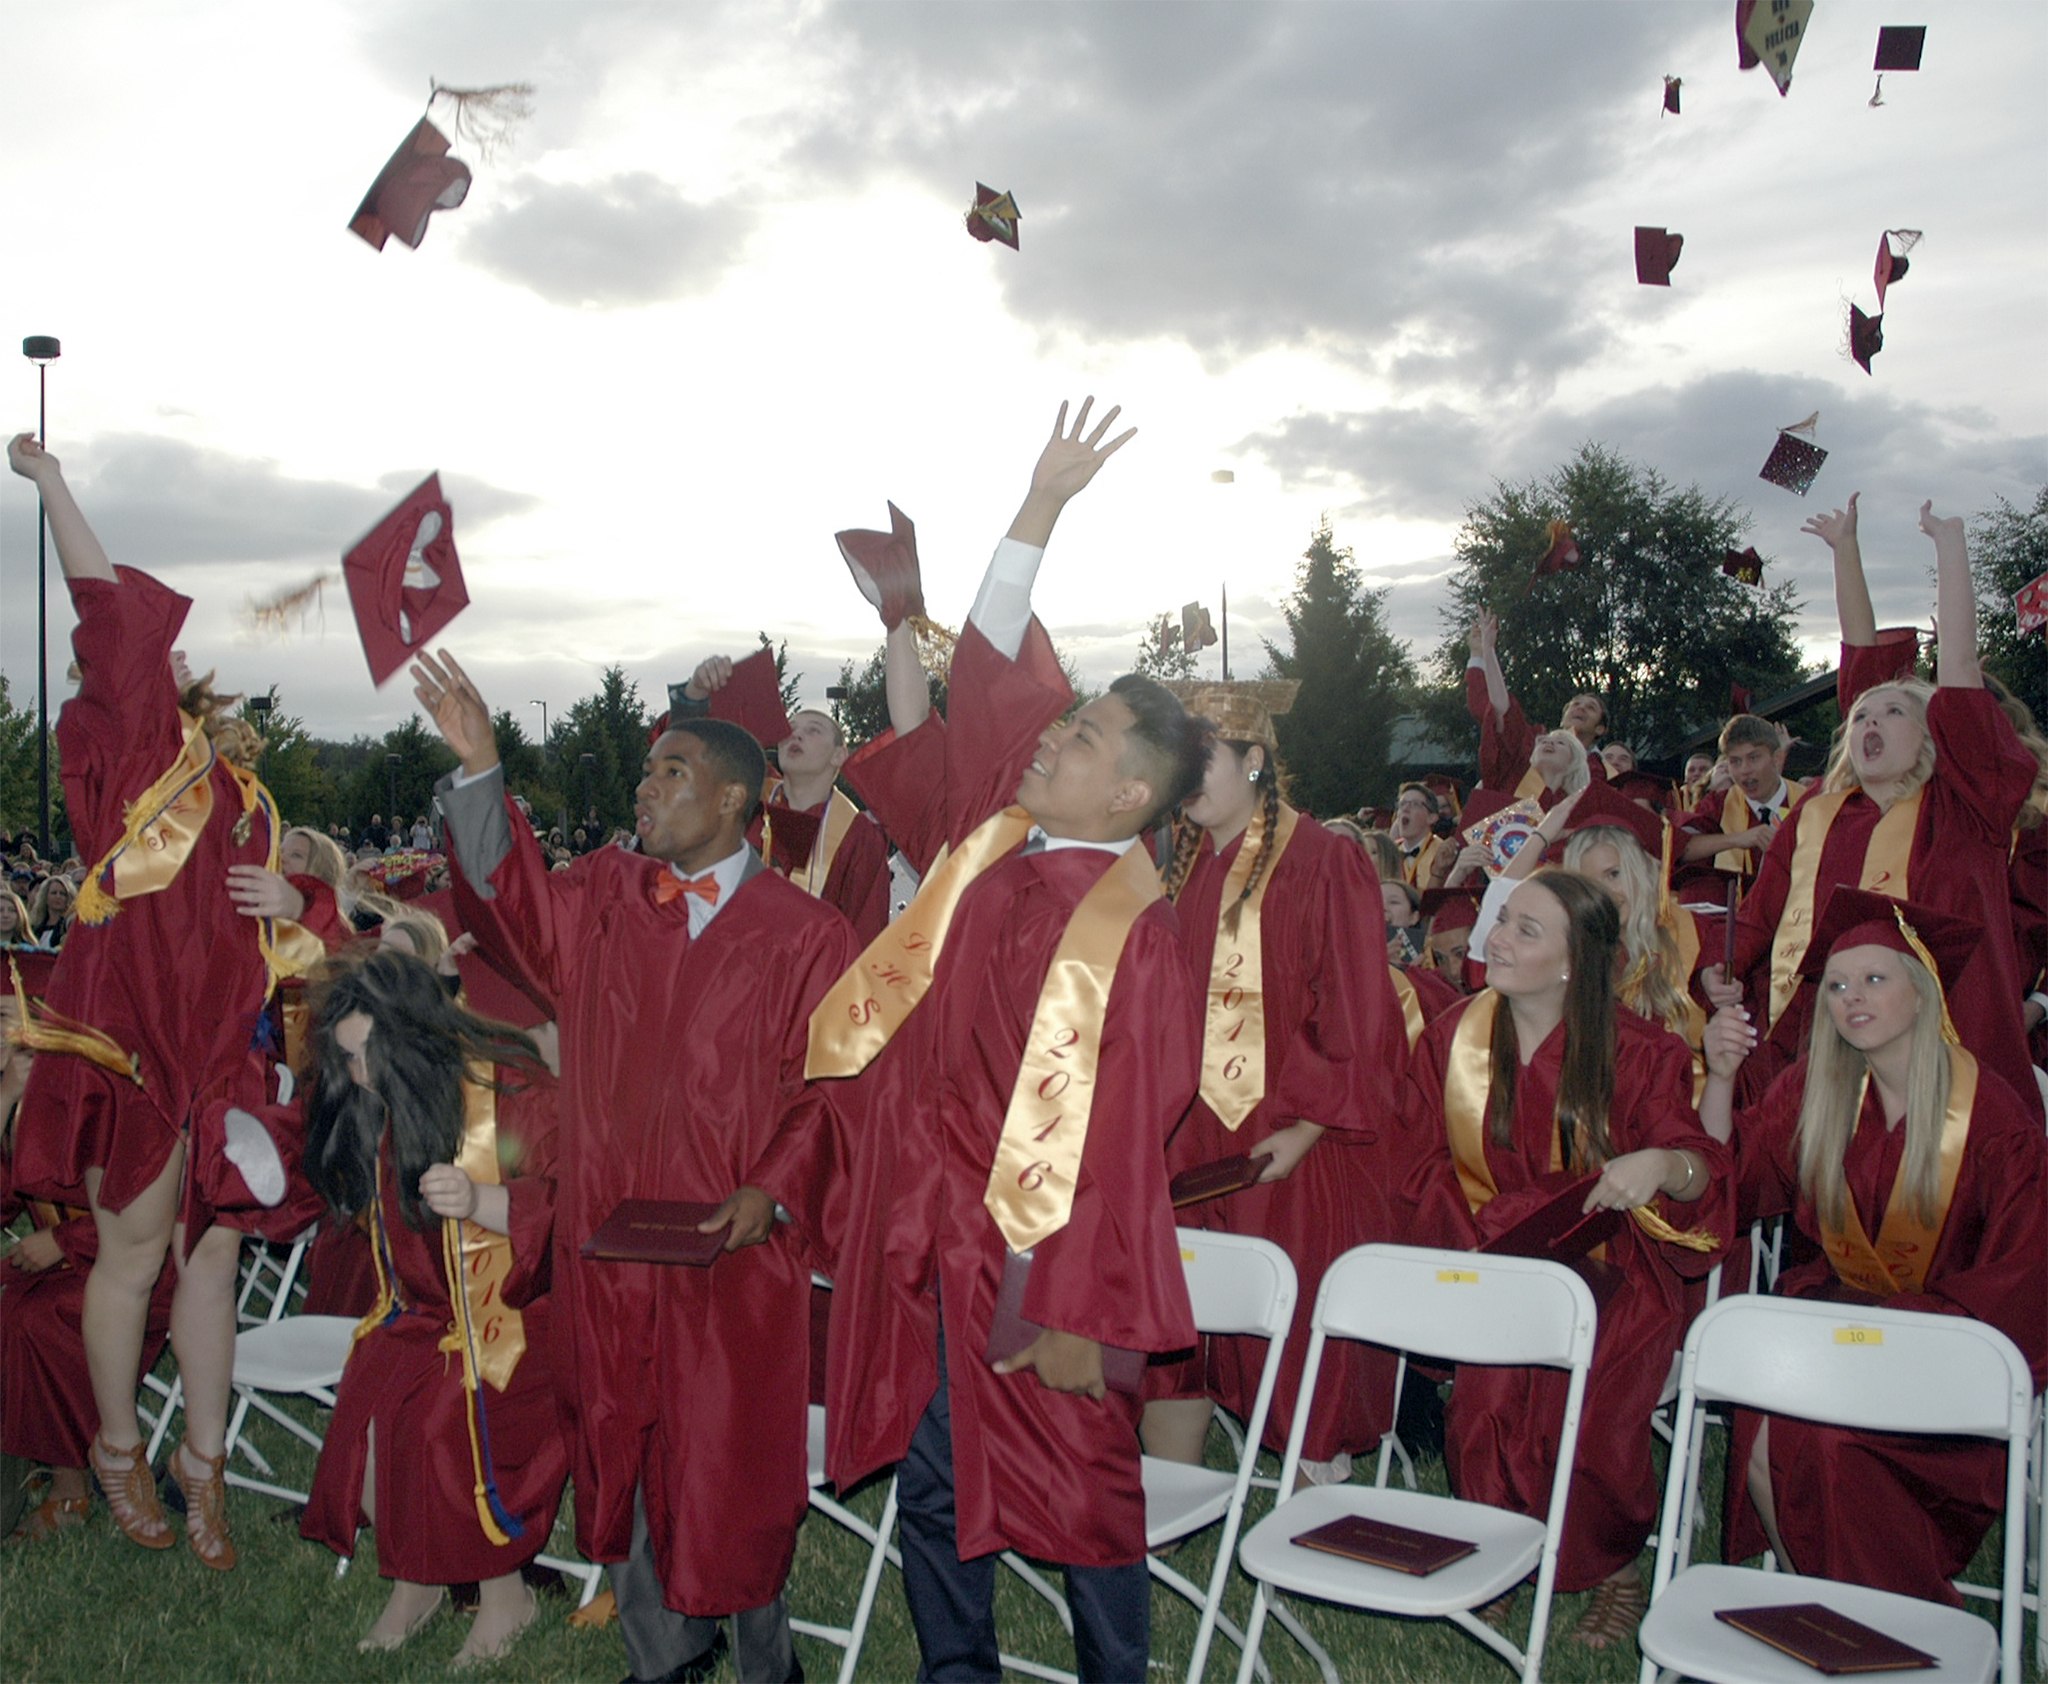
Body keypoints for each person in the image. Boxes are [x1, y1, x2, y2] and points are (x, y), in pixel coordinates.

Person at [734, 398, 1208, 1683]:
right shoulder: (997, 841)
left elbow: (1120, 1139)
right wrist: (1036, 511)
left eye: (1088, 735)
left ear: (1129, 796)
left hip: (1037, 1259)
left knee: (1083, 1497)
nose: (1055, 733)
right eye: (1068, 721)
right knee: (937, 1487)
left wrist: (1064, 1301)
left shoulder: (1134, 934)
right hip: (929, 1229)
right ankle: (958, 1672)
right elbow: (992, 667)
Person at [414, 645, 856, 1684]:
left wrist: (774, 1190)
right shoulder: (606, 898)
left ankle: (765, 1662)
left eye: (669, 772)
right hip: (613, 1234)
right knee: (633, 1437)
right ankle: (663, 1657)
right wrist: (481, 769)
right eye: (645, 771)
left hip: (731, 1249)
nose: (644, 788)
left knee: (728, 1463)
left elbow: (831, 1087)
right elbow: (505, 902)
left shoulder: (808, 934)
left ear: (735, 797)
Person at [3, 432, 329, 1573]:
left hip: (215, 1052)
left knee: (208, 1259)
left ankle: (204, 1466)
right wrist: (52, 486)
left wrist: (299, 894)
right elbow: (100, 602)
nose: (170, 656)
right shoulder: (137, 753)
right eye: (156, 654)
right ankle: (115, 1449)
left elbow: (297, 939)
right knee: (133, 1255)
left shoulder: (243, 795)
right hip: (131, 1037)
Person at [1400, 869, 1730, 1646]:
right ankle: (1503, 1551)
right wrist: (1480, 1240)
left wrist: (1659, 1163)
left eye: (1525, 929)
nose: (1498, 940)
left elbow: (1696, 1162)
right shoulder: (1453, 1037)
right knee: (1487, 1398)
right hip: (1485, 1256)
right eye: (1503, 921)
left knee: (1594, 1399)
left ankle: (1610, 1563)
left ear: (1574, 960)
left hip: (1613, 1271)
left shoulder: (1641, 1050)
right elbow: (1413, 1163)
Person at [1699, 890, 2046, 1604]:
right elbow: (1727, 1188)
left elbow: (2024, 1275)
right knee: (1765, 1428)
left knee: (1826, 1443)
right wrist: (1723, 1077)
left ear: (1922, 991)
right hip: (1837, 1327)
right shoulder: (1815, 1091)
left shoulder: (1993, 1113)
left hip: (1955, 1349)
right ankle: (1821, 1611)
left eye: (1875, 979)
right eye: (1836, 984)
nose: (1852, 997)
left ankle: (1883, 1623)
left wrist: (1906, 1340)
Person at [1142, 683, 1410, 1488]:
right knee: (1181, 1316)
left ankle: (1312, 1492)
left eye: (1203, 759)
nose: (1185, 778)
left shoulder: (1327, 860)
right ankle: (1172, 1498)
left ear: (1255, 760)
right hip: (1190, 1128)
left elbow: (1358, 1004)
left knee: (1293, 1321)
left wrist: (1310, 1127)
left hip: (1290, 1133)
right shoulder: (1179, 867)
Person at [1705, 500, 2039, 1112]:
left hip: (1956, 1050)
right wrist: (1716, 971)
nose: (1868, 722)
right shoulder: (1818, 815)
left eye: (1894, 713)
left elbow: (1959, 672)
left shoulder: (1966, 812)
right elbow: (1759, 916)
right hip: (1832, 1047)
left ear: (1935, 737)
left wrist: (1950, 544)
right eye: (1860, 718)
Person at [297, 948, 567, 1665]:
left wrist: (484, 1201)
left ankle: (506, 1595)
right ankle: (415, 1578)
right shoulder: (379, 1099)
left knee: (446, 1414)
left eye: (366, 1055)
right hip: (424, 1314)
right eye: (347, 1058)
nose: (356, 1074)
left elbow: (574, 1207)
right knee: (366, 1402)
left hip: (520, 1318)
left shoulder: (507, 1086)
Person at [676, 661, 893, 943]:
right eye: (789, 727)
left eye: (813, 730)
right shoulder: (746, 799)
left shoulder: (859, 839)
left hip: (812, 981)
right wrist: (695, 693)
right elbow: (689, 758)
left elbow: (866, 941)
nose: (796, 734)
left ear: (839, 755)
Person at [1465, 610, 1607, 795]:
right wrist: (1483, 652)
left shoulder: (1597, 771)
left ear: (1600, 728)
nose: (1580, 708)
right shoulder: (1530, 744)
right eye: (1575, 703)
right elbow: (1498, 709)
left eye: (1590, 708)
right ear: (1562, 718)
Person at [1673, 713, 1803, 895]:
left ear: (1777, 758)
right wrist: (1738, 839)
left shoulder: (1808, 802)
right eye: (1735, 761)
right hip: (1737, 914)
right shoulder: (1718, 804)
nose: (1744, 771)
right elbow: (1682, 848)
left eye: (1754, 758)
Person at [1386, 783, 1454, 889]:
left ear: (1432, 818)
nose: (1405, 809)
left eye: (1415, 804)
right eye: (1402, 804)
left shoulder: (1443, 852)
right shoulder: (1388, 852)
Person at [25, 874, 76, 949]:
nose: (58, 896)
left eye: (62, 894)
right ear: (45, 896)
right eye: (54, 893)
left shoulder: (70, 925)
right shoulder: (35, 926)